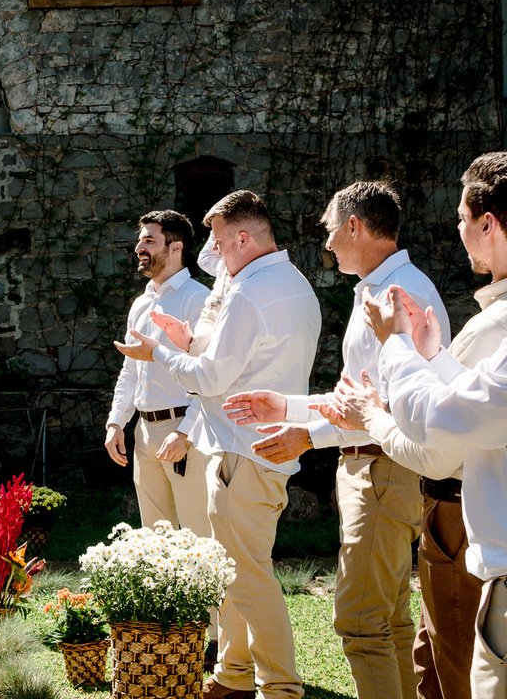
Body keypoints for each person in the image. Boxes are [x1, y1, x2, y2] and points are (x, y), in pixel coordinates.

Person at [223, 181, 449, 699]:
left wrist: (308, 434)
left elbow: (395, 407)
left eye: (330, 230)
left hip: (381, 469)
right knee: (387, 620)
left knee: (359, 621)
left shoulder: (398, 294)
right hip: (375, 467)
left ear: (355, 226)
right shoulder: (380, 287)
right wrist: (289, 407)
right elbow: (358, 397)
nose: (326, 244)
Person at [116, 190, 320, 699]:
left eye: (220, 240)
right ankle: (231, 675)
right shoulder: (287, 281)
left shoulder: (249, 291)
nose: (212, 251)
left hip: (241, 450)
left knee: (247, 577)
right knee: (232, 572)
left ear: (245, 239)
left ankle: (280, 687)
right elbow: (237, 354)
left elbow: (208, 378)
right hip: (260, 445)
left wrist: (162, 349)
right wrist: (190, 339)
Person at [318, 153, 507, 699]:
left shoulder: (409, 296)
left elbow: (438, 429)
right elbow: (475, 401)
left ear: (487, 222)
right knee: (403, 634)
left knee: (376, 627)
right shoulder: (383, 291)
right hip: (403, 471)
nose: (327, 243)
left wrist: (398, 348)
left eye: (461, 218)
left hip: (408, 477)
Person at [105, 211, 211, 534]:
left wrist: (186, 433)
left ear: (176, 248)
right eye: (140, 240)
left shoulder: (199, 300)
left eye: (149, 240)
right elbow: (130, 370)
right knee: (155, 542)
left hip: (184, 432)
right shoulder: (140, 305)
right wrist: (115, 423)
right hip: (144, 435)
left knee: (199, 540)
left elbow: (209, 377)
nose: (139, 247)